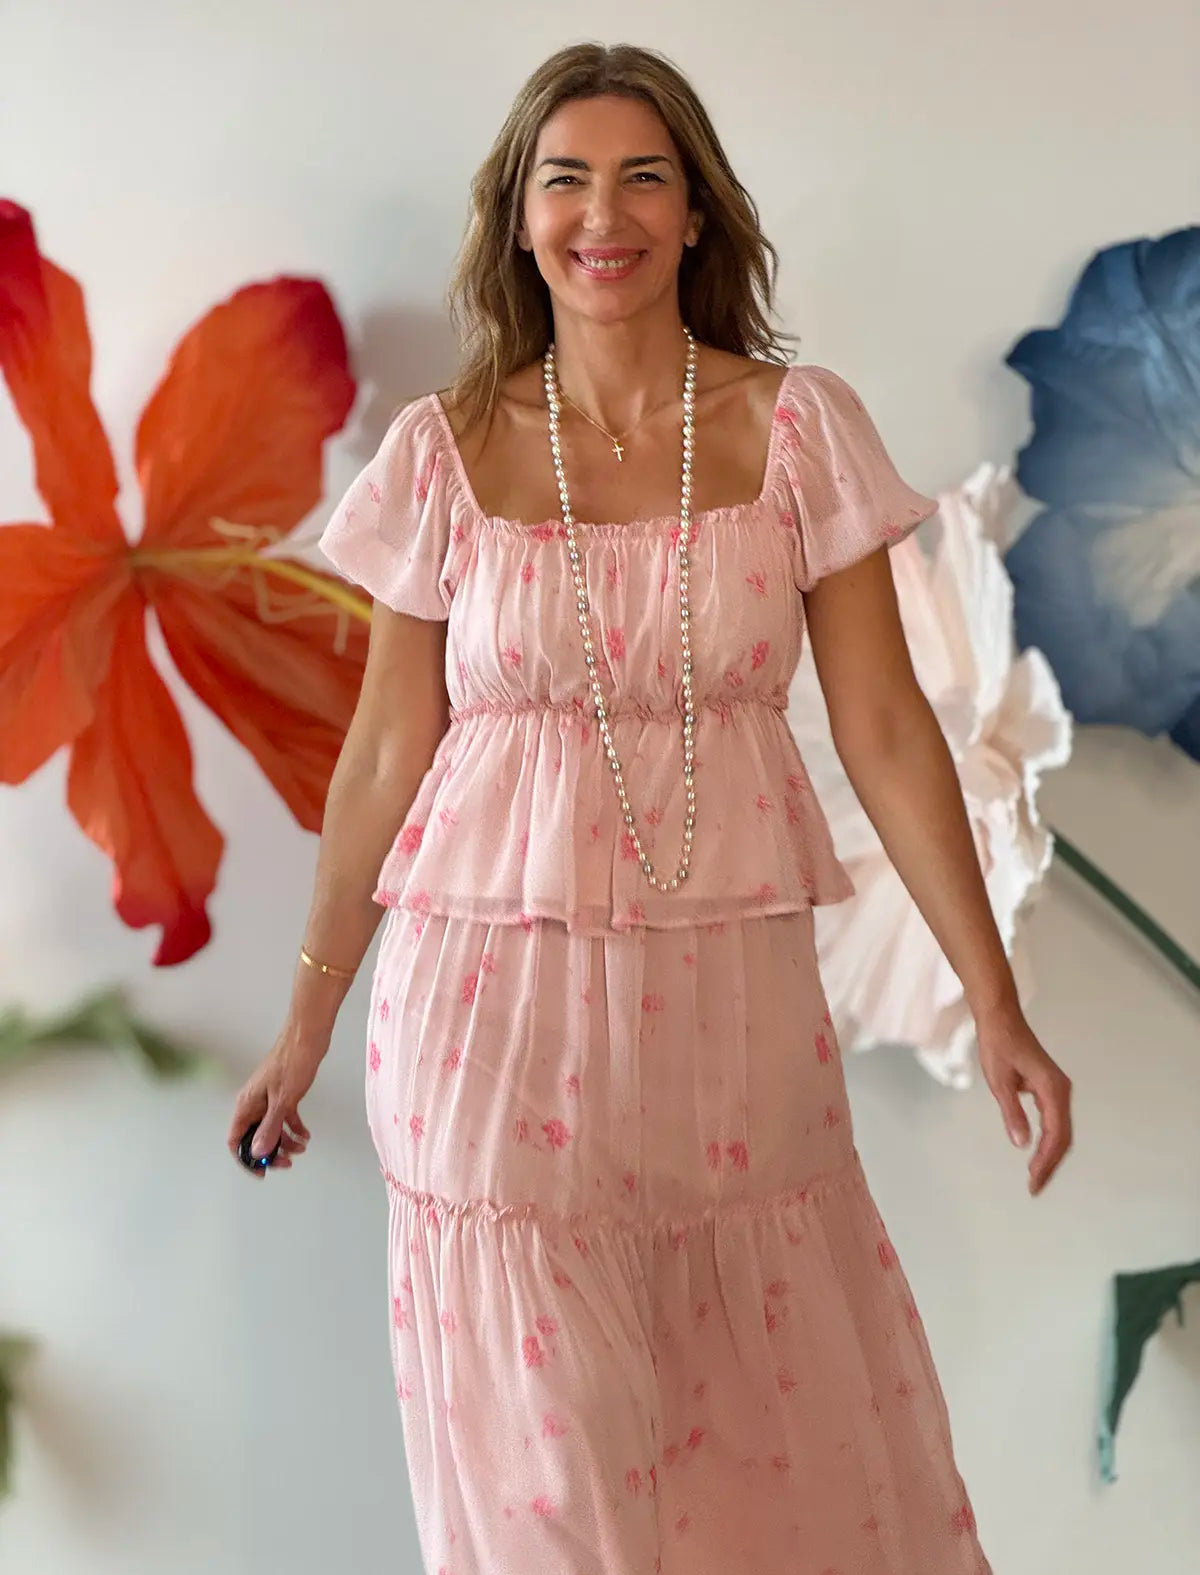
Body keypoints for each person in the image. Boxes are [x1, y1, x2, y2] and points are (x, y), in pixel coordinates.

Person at [228, 40, 1072, 1575]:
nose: (601, 214)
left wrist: (995, 1001)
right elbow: (383, 754)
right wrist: (303, 1031)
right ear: (518, 217)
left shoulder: (799, 430)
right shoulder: (444, 453)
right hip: (486, 1034)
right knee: (546, 1490)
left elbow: (887, 731)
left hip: (730, 1036)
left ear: (696, 213)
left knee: (759, 1452)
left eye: (642, 177)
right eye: (565, 180)